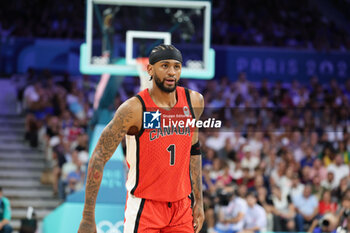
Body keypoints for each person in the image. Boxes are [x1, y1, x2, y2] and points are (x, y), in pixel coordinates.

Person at [78, 44, 205, 233]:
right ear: (150, 69)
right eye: (165, 66)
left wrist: (199, 201)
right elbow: (98, 156)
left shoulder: (194, 101)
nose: (171, 72)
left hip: (181, 208)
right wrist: (88, 215)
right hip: (145, 208)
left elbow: (194, 150)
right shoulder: (133, 109)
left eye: (176, 66)